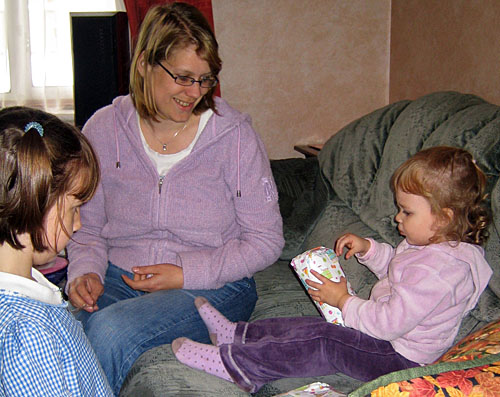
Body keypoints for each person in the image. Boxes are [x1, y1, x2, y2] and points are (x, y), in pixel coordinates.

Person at [65, 2, 284, 394]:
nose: (195, 93)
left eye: (205, 79)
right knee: (63, 329)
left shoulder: (234, 138)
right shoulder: (102, 129)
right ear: (146, 63)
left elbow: (266, 241)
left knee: (111, 330)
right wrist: (86, 272)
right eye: (183, 78)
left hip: (215, 286)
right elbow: (87, 227)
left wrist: (186, 271)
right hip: (118, 275)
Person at [172, 146, 493, 393]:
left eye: (406, 212)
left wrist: (343, 301)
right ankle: (238, 335)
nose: (397, 218)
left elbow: (388, 324)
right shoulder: (431, 245)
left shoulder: (440, 272)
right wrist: (370, 249)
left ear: (444, 217)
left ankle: (238, 366)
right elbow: (399, 268)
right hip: (387, 336)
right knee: (309, 326)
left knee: (325, 342)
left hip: (399, 357)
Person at [0, 106, 113, 396]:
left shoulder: (26, 296)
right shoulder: (28, 334)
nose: (78, 225)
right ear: (35, 201)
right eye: (74, 209)